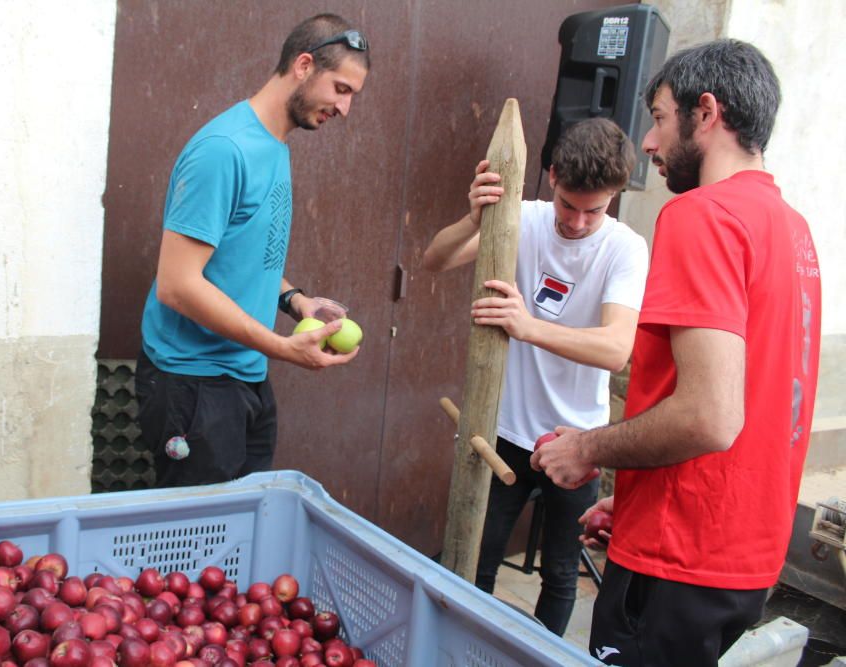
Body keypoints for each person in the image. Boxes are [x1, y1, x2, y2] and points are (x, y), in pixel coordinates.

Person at [533, 40, 822, 666]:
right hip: (746, 555)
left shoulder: (702, 215)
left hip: (682, 559)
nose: (649, 143)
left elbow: (710, 416)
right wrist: (637, 495)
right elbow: (757, 402)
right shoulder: (792, 228)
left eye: (661, 118)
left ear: (707, 113)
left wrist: (584, 448)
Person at [422, 118, 648, 636]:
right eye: (569, 204)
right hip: (504, 432)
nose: (579, 221)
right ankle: (461, 647)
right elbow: (436, 260)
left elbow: (616, 350)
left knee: (561, 574)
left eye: (596, 208)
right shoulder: (521, 218)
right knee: (476, 562)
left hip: (579, 440)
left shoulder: (625, 248)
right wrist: (472, 219)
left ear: (614, 196)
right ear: (550, 177)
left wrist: (528, 327)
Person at [136, 14, 371, 488]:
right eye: (341, 89)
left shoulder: (274, 143)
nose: (345, 109)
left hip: (245, 373)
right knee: (192, 546)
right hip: (194, 384)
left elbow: (246, 253)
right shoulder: (225, 150)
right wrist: (283, 349)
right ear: (304, 65)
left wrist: (296, 302)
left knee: (237, 534)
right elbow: (178, 286)